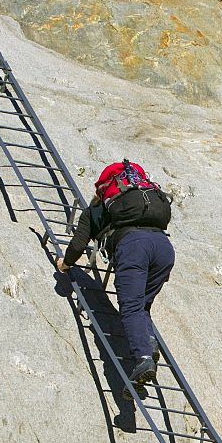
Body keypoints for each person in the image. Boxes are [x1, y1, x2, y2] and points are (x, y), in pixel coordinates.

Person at [57, 161, 174, 399]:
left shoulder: (95, 211)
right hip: (164, 247)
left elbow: (78, 244)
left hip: (134, 247)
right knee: (142, 305)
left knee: (130, 307)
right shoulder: (142, 203)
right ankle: (148, 343)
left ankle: (142, 359)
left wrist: (65, 263)